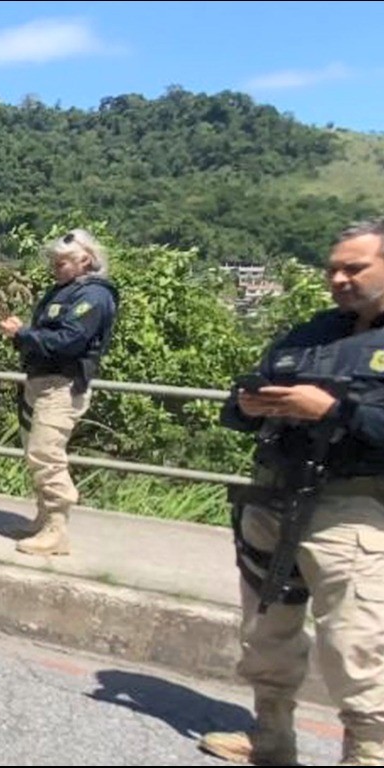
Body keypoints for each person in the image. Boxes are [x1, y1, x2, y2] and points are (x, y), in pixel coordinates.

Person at [199, 220, 384, 767]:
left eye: (355, 267)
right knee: (265, 631)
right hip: (274, 498)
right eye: (333, 268)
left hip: (351, 507)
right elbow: (239, 399)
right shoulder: (311, 332)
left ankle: (367, 753)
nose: (339, 278)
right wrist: (248, 406)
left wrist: (335, 411)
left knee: (356, 641)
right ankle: (272, 738)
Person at [0, 229, 119, 556]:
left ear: (86, 260)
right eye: (54, 261)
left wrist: (23, 334)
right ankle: (44, 518)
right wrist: (25, 335)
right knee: (36, 452)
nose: (55, 267)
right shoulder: (64, 292)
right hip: (41, 382)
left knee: (46, 453)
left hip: (63, 386)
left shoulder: (93, 296)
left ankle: (57, 530)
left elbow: (69, 341)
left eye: (62, 261)